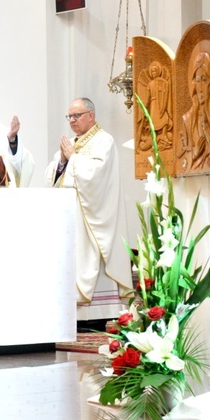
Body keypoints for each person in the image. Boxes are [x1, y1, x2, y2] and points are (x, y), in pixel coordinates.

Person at [45, 97, 132, 321]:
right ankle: (75, 314)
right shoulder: (73, 142)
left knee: (93, 255)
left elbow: (96, 175)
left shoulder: (104, 141)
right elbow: (52, 177)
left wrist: (72, 158)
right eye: (70, 116)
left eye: (77, 115)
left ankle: (100, 313)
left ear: (91, 116)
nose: (72, 121)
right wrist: (63, 161)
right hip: (73, 217)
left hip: (94, 216)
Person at [178, 52, 210, 173]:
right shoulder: (188, 120)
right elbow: (181, 159)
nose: (200, 87)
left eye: (204, 80)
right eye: (198, 80)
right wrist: (194, 154)